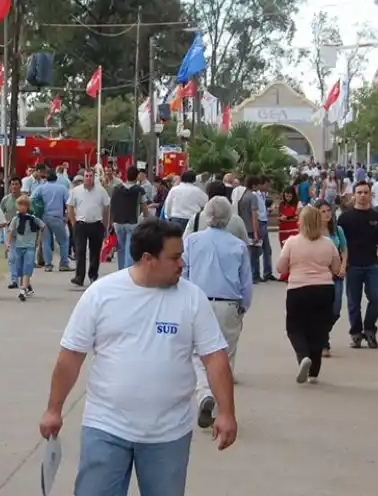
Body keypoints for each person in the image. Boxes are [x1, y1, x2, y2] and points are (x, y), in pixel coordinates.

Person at [39, 219, 236, 496]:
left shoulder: (192, 298)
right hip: (105, 427)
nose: (182, 265)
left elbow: (214, 357)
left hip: (168, 434)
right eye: (175, 257)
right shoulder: (101, 294)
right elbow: (71, 356)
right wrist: (53, 409)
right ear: (148, 259)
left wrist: (226, 412)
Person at [182, 197, 252, 430]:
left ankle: (204, 393)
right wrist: (244, 306)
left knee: (196, 354)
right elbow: (246, 281)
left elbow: (184, 274)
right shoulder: (238, 245)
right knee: (225, 355)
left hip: (198, 301)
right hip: (228, 304)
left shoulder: (192, 241)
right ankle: (221, 406)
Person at [277, 206, 341, 384]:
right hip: (324, 289)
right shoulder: (328, 243)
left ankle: (303, 355)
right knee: (318, 330)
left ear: (301, 222)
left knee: (294, 327)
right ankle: (314, 373)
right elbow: (336, 268)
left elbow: (281, 268)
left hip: (298, 288)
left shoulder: (292, 242)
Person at [338, 180, 378, 349]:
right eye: (359, 192)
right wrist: (340, 264)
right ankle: (356, 333)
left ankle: (369, 329)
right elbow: (339, 244)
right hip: (352, 266)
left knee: (376, 298)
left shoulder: (377, 217)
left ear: (370, 195)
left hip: (372, 266)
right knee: (354, 302)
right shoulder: (345, 218)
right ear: (354, 195)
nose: (362, 195)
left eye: (365, 192)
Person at [313, 199, 347, 357]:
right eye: (323, 212)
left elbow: (344, 249)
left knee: (335, 309)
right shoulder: (314, 233)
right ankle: (323, 341)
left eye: (328, 211)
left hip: (336, 275)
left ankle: (320, 333)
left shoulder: (337, 230)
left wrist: (343, 266)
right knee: (322, 309)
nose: (327, 214)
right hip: (320, 276)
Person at [67, 169, 110, 287]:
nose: (88, 178)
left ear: (94, 177)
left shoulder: (101, 191)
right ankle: (79, 277)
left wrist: (105, 224)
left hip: (96, 223)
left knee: (95, 252)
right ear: (83, 177)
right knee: (80, 251)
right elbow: (70, 205)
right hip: (81, 224)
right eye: (86, 176)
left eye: (91, 176)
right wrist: (73, 222)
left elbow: (106, 207)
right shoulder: (76, 191)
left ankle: (93, 275)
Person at [109, 165, 149, 270]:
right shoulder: (139, 190)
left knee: (121, 248)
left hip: (118, 222)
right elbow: (144, 205)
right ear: (136, 177)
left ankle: (121, 270)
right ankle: (127, 271)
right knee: (129, 249)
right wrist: (146, 219)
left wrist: (110, 222)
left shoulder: (116, 189)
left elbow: (112, 206)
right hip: (132, 222)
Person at [31, 171, 72, 272]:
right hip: (57, 217)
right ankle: (63, 263)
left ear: (46, 179)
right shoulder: (62, 188)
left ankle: (48, 265)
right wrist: (67, 216)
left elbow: (31, 199)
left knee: (46, 242)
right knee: (63, 241)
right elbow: (68, 203)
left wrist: (38, 208)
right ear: (56, 179)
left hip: (44, 217)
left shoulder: (41, 188)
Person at [184, 180, 249, 243]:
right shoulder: (237, 220)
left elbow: (185, 241)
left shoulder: (196, 218)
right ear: (225, 194)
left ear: (208, 195)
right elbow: (245, 244)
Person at [6, 194, 44, 302]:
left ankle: (22, 290)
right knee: (19, 269)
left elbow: (43, 226)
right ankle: (28, 285)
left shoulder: (33, 218)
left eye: (25, 205)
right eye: (20, 205)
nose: (22, 207)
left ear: (28, 207)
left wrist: (39, 240)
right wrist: (8, 243)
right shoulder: (15, 219)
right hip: (18, 246)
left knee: (27, 267)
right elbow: (10, 231)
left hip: (30, 246)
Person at [0, 177, 22, 289]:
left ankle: (23, 278)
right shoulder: (6, 199)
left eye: (16, 184)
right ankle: (14, 280)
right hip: (9, 231)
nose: (14, 186)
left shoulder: (25, 199)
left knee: (20, 256)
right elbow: (0, 213)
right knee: (12, 257)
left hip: (23, 232)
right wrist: (5, 221)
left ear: (20, 186)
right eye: (12, 184)